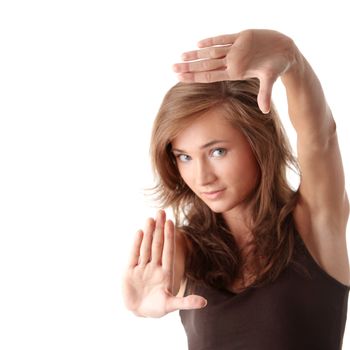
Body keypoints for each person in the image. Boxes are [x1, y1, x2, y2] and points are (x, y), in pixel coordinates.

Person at [122, 29, 350, 349]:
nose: (201, 177)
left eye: (217, 152)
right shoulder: (188, 248)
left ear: (258, 143)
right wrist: (141, 306)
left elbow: (321, 136)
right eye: (184, 157)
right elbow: (165, 279)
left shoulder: (315, 224)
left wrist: (292, 58)